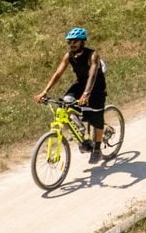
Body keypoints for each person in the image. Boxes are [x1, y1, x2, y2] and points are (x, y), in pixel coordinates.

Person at [36, 27, 109, 162]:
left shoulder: (92, 55)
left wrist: (86, 94)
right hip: (80, 84)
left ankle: (97, 150)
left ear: (82, 41)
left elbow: (92, 76)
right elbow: (58, 73)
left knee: (97, 118)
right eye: (69, 42)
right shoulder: (68, 55)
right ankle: (82, 133)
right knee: (65, 103)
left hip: (96, 87)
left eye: (75, 41)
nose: (72, 44)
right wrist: (45, 91)